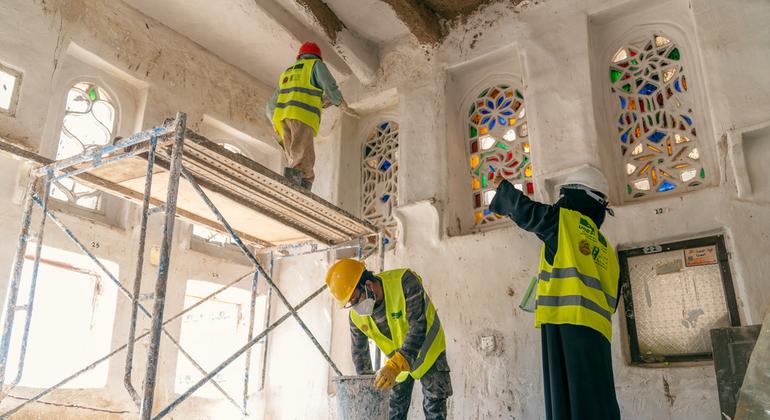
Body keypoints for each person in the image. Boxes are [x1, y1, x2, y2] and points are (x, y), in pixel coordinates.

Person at [489, 166, 621, 420]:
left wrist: (503, 188)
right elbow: (612, 297)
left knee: (568, 403)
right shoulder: (604, 246)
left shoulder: (566, 224)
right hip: (598, 335)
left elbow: (528, 213)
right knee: (597, 399)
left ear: (576, 198)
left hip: (565, 326)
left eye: (565, 197)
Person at [325, 259, 452, 420]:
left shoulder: (404, 282)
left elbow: (418, 327)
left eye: (355, 299)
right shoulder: (356, 318)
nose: (355, 306)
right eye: (350, 304)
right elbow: (360, 356)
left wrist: (393, 366)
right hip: (396, 367)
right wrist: (369, 390)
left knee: (434, 407)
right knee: (394, 413)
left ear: (368, 285)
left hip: (429, 353)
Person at [265, 41, 353, 189]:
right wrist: (339, 101)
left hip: (281, 119)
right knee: (304, 157)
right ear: (317, 57)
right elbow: (328, 84)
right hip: (302, 116)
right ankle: (302, 190)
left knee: (293, 157)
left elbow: (270, 106)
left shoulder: (287, 72)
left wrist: (275, 123)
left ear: (299, 56)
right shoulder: (315, 64)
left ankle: (294, 187)